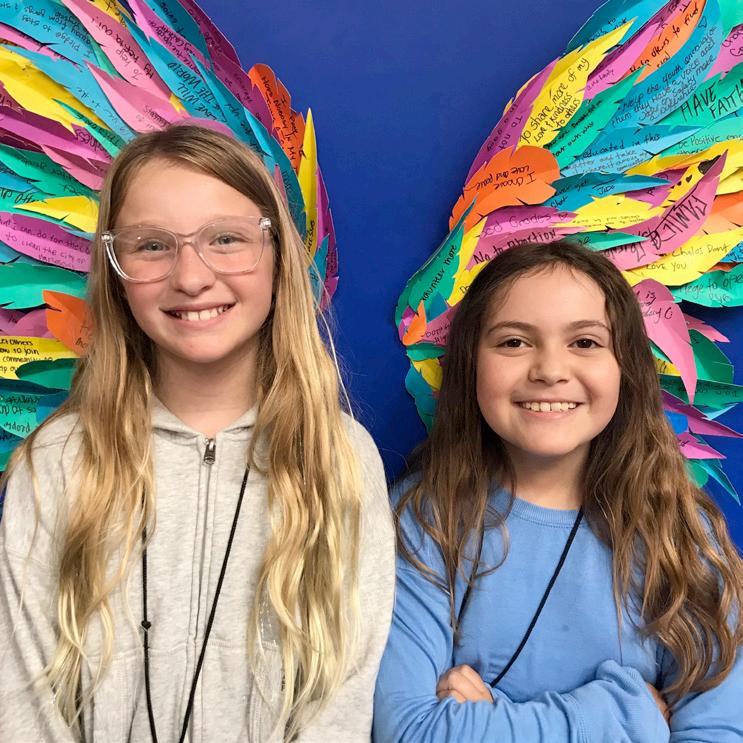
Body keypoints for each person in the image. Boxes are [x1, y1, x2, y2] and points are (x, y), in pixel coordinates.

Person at [0, 124, 394, 742]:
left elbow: (342, 704)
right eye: (152, 245)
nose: (190, 277)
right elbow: (23, 703)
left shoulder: (338, 458)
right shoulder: (57, 461)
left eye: (226, 239)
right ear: (116, 271)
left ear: (277, 255)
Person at [373, 240, 743, 743]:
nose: (549, 370)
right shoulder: (422, 521)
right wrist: (625, 718)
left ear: (626, 368)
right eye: (513, 342)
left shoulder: (680, 532)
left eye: (585, 342)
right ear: (470, 364)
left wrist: (489, 719)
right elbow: (411, 731)